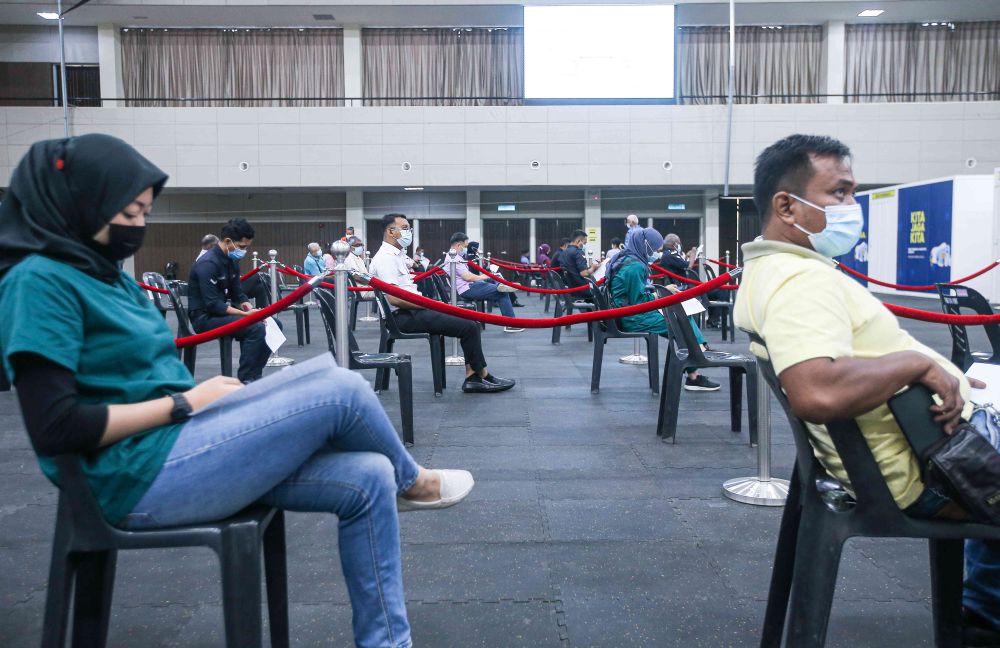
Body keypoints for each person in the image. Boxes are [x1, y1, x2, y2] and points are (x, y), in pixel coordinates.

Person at [0, 134, 475, 648]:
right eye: (130, 213)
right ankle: (418, 483)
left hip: (179, 441)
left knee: (369, 473)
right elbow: (55, 428)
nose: (138, 225)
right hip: (132, 476)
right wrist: (183, 402)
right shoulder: (39, 281)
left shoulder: (102, 275)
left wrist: (196, 399)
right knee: (341, 388)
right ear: (79, 202)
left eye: (143, 213)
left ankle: (387, 642)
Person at [733, 133, 1000, 646]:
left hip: (930, 449)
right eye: (839, 193)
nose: (852, 207)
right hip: (937, 470)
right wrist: (915, 361)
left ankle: (984, 610)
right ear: (786, 206)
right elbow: (816, 391)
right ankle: (985, 618)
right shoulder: (799, 282)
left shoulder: (781, 271)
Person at [370, 213, 515, 394]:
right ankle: (479, 376)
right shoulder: (385, 257)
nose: (410, 233)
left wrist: (427, 303)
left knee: (470, 321)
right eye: (406, 228)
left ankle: (476, 376)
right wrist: (428, 304)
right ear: (391, 231)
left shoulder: (396, 254)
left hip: (412, 310)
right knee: (469, 326)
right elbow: (395, 298)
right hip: (402, 317)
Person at [606, 227, 720, 392]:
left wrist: (660, 291)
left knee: (681, 318)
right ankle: (698, 358)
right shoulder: (635, 267)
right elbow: (639, 300)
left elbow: (634, 293)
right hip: (631, 318)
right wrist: (661, 295)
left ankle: (698, 356)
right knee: (679, 320)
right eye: (655, 248)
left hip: (627, 313)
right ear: (646, 246)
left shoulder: (625, 259)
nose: (658, 253)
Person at [188, 218, 273, 383]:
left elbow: (238, 293)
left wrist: (247, 306)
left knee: (273, 324)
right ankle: (246, 380)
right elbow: (213, 305)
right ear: (228, 242)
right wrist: (245, 315)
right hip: (204, 318)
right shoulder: (207, 264)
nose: (244, 251)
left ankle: (255, 375)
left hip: (219, 313)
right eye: (242, 247)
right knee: (255, 329)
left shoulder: (231, 260)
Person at [448, 232, 523, 334]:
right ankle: (511, 324)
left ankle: (501, 285)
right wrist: (481, 277)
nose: (465, 249)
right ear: (458, 245)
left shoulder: (453, 257)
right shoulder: (455, 259)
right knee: (502, 293)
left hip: (467, 286)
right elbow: (467, 277)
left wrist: (484, 277)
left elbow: (466, 275)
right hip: (466, 289)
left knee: (492, 279)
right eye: (465, 246)